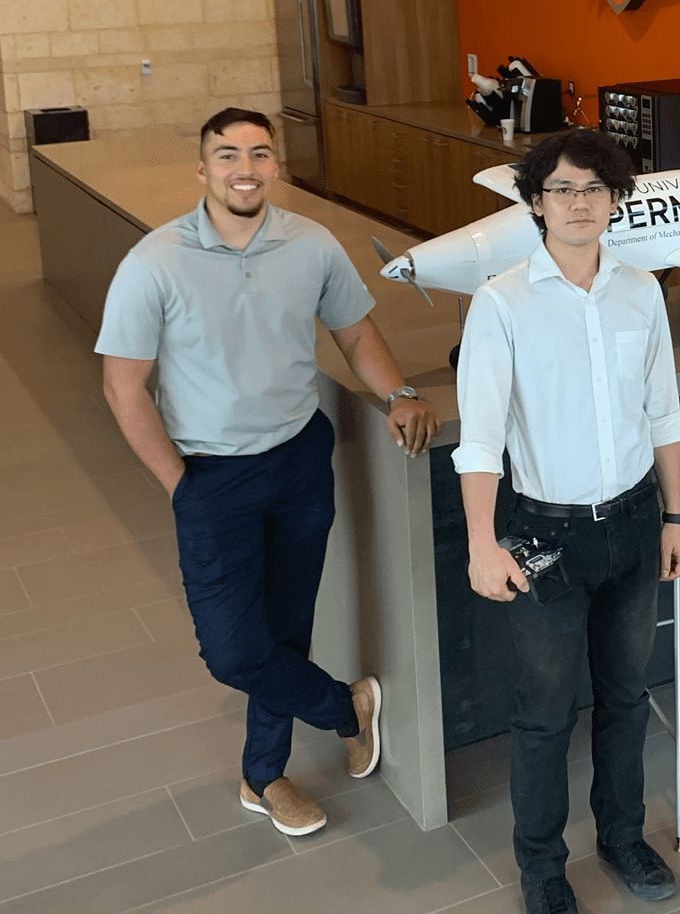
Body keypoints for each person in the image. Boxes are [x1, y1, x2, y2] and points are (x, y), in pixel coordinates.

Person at [96, 108, 441, 838]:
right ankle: (346, 707)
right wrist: (180, 486)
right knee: (231, 648)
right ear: (202, 170)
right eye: (227, 155)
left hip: (298, 458)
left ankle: (264, 774)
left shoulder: (309, 244)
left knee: (285, 628)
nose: (244, 168)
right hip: (210, 475)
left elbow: (356, 331)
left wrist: (402, 393)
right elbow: (122, 388)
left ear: (275, 164)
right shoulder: (154, 262)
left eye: (258, 153)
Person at [453, 128, 680, 914]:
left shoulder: (641, 290)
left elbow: (664, 411)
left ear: (616, 199)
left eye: (594, 188)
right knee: (545, 713)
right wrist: (482, 543)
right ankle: (542, 869)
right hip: (542, 536)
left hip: (631, 524)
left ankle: (623, 838)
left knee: (626, 697)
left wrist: (675, 515)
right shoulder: (502, 302)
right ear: (535, 203)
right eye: (561, 189)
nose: (579, 203)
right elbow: (480, 436)